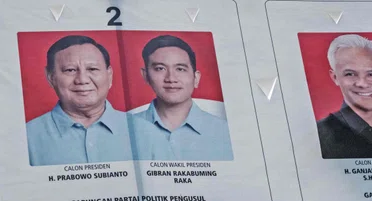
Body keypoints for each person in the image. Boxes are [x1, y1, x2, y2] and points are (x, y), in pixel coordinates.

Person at [26, 35, 133, 166]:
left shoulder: (144, 131)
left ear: (109, 75)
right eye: (70, 70)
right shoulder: (26, 138)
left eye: (92, 69)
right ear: (51, 78)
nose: (82, 80)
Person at [130, 35, 232, 161]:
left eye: (180, 69)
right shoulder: (126, 129)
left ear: (196, 78)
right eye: (160, 68)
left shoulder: (225, 131)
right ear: (145, 75)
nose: (171, 78)